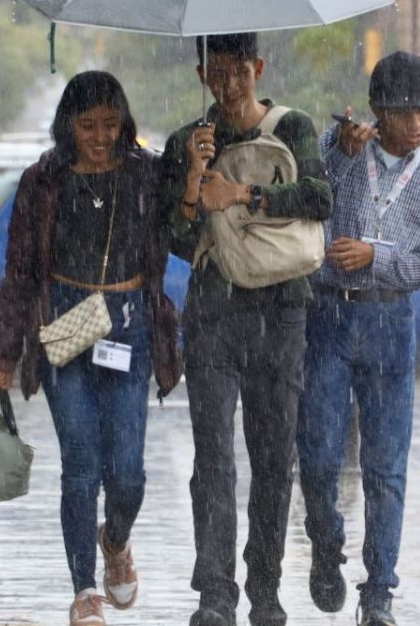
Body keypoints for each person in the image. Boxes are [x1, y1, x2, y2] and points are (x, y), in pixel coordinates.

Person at [0, 71, 181, 626]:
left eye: (110, 124)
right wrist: (5, 352)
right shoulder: (43, 181)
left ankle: (115, 540)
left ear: (125, 124)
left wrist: (192, 174)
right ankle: (84, 590)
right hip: (64, 324)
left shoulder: (147, 173)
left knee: (129, 472)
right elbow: (20, 270)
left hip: (129, 324)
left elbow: (187, 218)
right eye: (89, 125)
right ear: (68, 125)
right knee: (81, 464)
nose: (100, 136)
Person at [160, 32, 332, 626]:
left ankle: (265, 584)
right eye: (217, 73)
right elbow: (178, 243)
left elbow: (318, 198)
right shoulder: (186, 141)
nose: (229, 87)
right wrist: (192, 181)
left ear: (258, 68)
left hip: (283, 311)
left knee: (272, 454)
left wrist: (243, 193)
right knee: (213, 456)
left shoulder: (295, 127)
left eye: (240, 73)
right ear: (202, 73)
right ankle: (216, 591)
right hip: (213, 313)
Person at [297, 51, 420, 626]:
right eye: (402, 112)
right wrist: (340, 157)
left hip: (391, 323)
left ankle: (379, 593)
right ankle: (325, 544)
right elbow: (312, 205)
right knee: (316, 455)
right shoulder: (335, 147)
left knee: (386, 466)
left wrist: (378, 257)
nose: (415, 124)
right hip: (328, 318)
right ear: (376, 111)